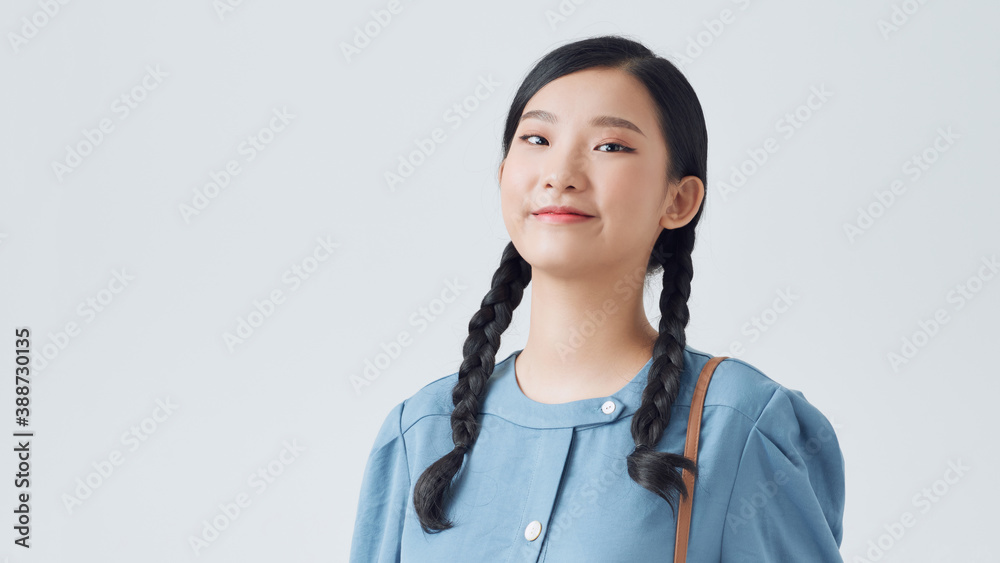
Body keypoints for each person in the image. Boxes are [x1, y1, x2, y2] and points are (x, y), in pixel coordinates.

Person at [350, 34, 845, 562]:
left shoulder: (739, 426)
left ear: (679, 200)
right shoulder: (419, 433)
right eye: (537, 139)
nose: (559, 175)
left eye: (610, 146)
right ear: (502, 177)